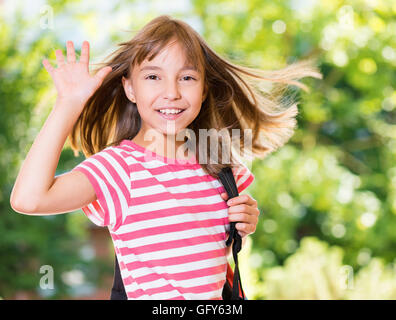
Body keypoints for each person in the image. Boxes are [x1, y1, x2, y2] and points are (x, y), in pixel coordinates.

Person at [10, 15, 322, 300]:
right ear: (130, 88)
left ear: (203, 89)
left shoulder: (221, 167)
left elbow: (208, 256)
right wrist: (68, 104)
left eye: (186, 78)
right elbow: (29, 199)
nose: (171, 92)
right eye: (153, 77)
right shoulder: (119, 169)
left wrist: (244, 222)